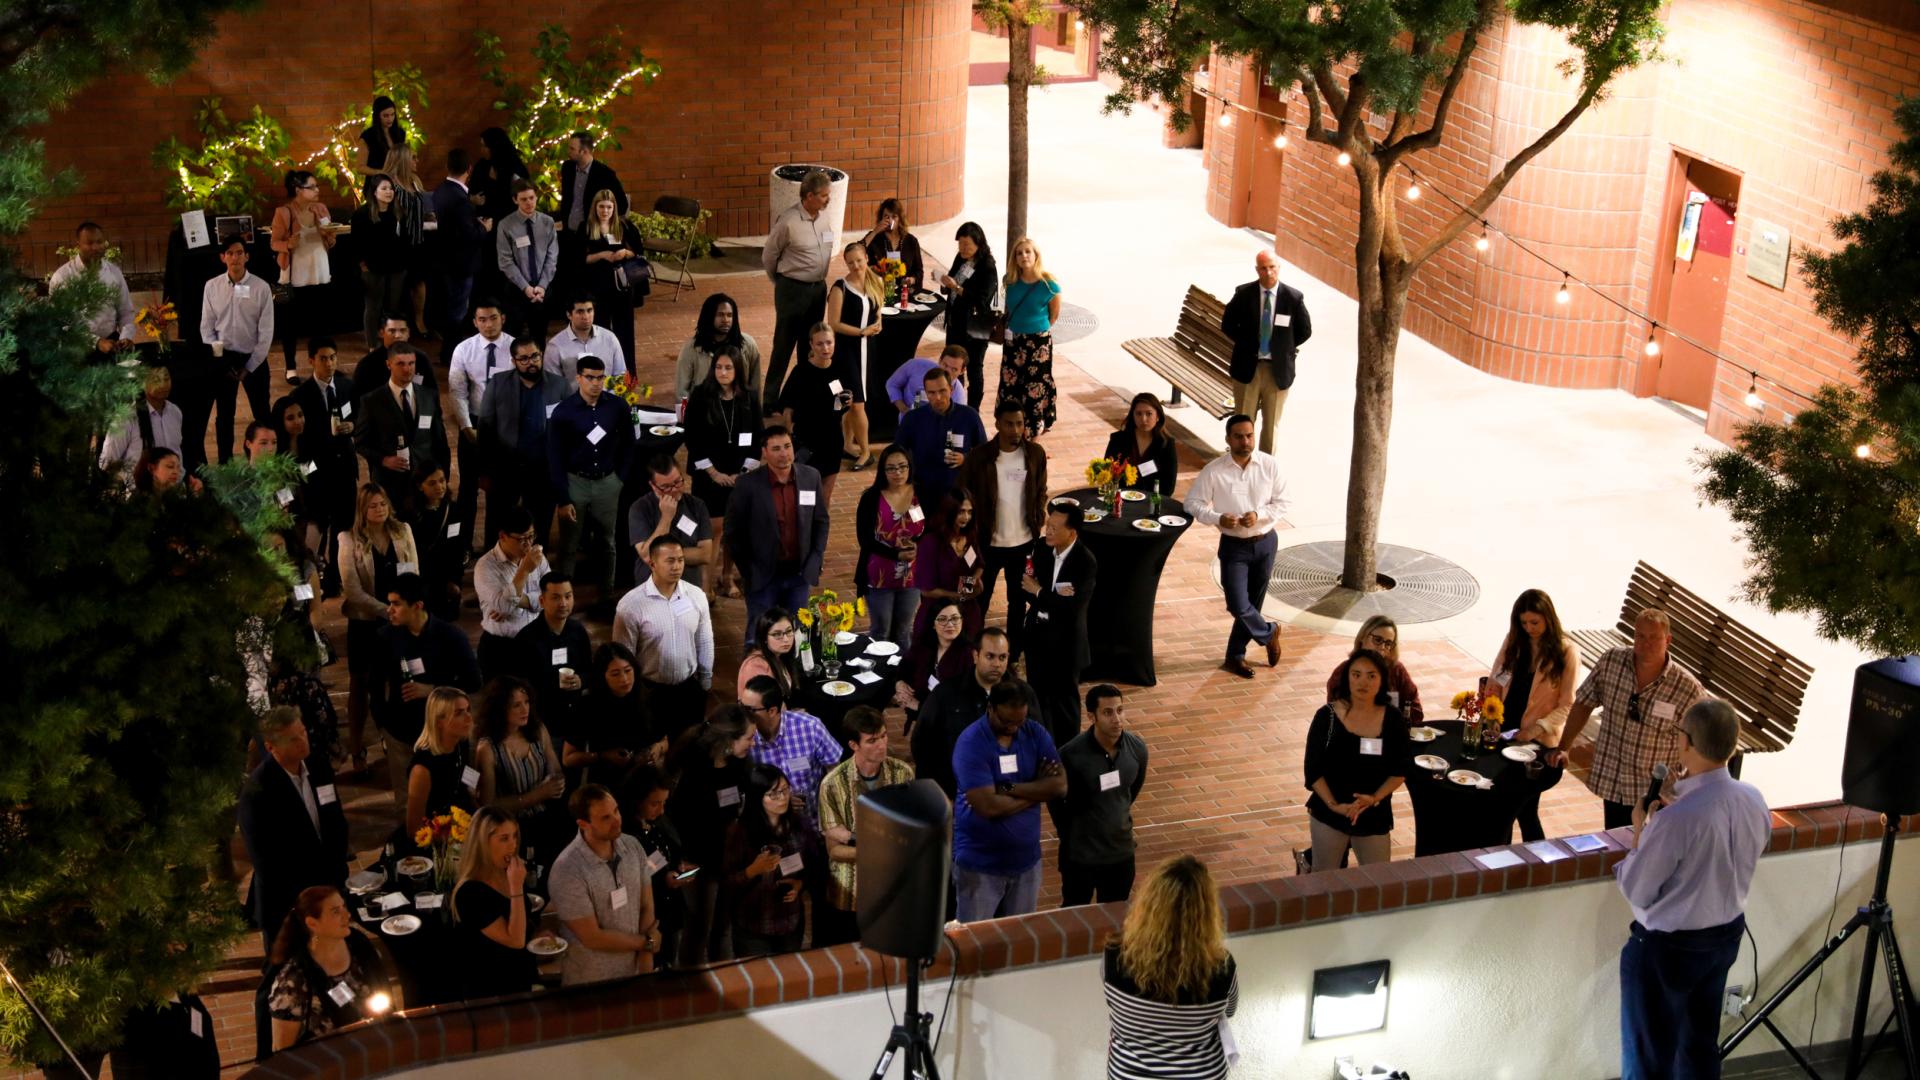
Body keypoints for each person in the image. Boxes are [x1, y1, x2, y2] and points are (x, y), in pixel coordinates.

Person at [1613, 699, 1770, 1080]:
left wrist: (1640, 830)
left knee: (1649, 1061)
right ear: (1732, 746)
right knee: (1698, 1050)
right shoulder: (1752, 798)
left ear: (1686, 744)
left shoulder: (1678, 818)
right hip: (1724, 938)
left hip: (1669, 950)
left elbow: (1637, 889)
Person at [1548, 608, 1707, 829]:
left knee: (1648, 853)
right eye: (1640, 636)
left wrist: (1689, 792)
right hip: (1615, 780)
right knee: (1617, 846)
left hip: (1656, 793)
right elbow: (1583, 703)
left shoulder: (1686, 688)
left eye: (1654, 637)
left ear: (1668, 640)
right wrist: (1564, 747)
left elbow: (1700, 743)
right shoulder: (1612, 662)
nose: (1646, 643)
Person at [1101, 855, 1239, 1080]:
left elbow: (1112, 1003)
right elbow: (1230, 1010)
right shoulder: (1221, 966)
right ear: (1206, 912)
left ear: (1148, 903)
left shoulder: (1114, 956)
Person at [1184, 413, 1290, 679]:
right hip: (1234, 547)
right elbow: (1192, 503)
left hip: (1265, 542)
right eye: (1239, 436)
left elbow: (1284, 502)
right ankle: (1269, 633)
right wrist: (1217, 518)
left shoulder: (1270, 465)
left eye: (1249, 435)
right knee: (1237, 603)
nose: (1246, 441)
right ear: (1228, 439)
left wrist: (1259, 515)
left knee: (1253, 602)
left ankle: (1235, 656)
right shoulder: (1214, 471)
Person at [951, 680, 1065, 922]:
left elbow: (1059, 786)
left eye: (1019, 721)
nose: (1013, 727)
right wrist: (1035, 794)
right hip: (980, 867)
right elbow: (989, 807)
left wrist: (1009, 788)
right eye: (1006, 721)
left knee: (1018, 944)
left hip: (1026, 864)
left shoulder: (1034, 733)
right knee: (976, 946)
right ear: (990, 708)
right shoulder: (971, 743)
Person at [238, 708, 350, 954]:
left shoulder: (318, 765)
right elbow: (267, 863)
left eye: (303, 733)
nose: (303, 742)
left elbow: (336, 822)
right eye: (293, 739)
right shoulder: (257, 793)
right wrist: (305, 900)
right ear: (271, 747)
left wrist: (336, 877)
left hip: (328, 888)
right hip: (287, 904)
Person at [380, 576, 482, 818]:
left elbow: (473, 681)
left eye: (396, 604)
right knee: (408, 804)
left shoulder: (451, 636)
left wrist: (432, 690)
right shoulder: (385, 637)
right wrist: (383, 724)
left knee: (452, 795)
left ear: (418, 605)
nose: (389, 610)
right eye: (389, 603)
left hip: (445, 733)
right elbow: (374, 686)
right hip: (401, 732)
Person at [816, 706, 915, 947]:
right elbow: (834, 850)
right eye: (872, 740)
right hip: (851, 893)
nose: (881, 744)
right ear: (853, 745)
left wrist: (853, 838)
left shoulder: (902, 774)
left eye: (883, 736)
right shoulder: (832, 785)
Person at [1303, 649, 1410, 871]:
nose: (1364, 681)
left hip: (1373, 813)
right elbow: (1313, 771)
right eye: (1356, 674)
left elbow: (1399, 770)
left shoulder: (1393, 719)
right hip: (1330, 812)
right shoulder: (1327, 716)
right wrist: (1335, 806)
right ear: (1347, 677)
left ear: (1381, 680)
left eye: (1372, 675)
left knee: (1377, 880)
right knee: (1324, 879)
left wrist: (1373, 798)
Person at [1486, 588, 1579, 841]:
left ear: (1548, 618)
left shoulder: (1566, 652)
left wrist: (1535, 730)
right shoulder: (1514, 641)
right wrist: (1492, 717)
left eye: (1535, 622)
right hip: (1506, 732)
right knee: (1508, 805)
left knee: (1522, 808)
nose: (1529, 628)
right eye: (1524, 623)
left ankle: (1526, 859)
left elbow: (1567, 705)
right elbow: (1495, 681)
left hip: (1536, 743)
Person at [725, 426, 830, 645]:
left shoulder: (811, 477)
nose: (784, 453)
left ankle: (793, 676)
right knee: (758, 635)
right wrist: (748, 569)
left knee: (799, 635)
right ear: (764, 452)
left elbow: (820, 520)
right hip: (763, 576)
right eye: (776, 448)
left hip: (799, 574)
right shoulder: (747, 485)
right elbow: (733, 532)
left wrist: (816, 557)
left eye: (787, 446)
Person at [339, 483, 417, 778]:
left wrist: (401, 612)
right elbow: (353, 591)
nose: (379, 509)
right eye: (372, 505)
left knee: (395, 683)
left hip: (399, 623)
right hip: (365, 623)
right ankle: (357, 746)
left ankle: (393, 737)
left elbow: (414, 573)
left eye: (383, 503)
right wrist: (387, 610)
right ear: (362, 509)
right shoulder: (348, 540)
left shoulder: (403, 531)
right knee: (360, 686)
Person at [960, 399, 1047, 662]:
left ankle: (1012, 657)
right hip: (987, 543)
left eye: (1019, 423)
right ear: (997, 424)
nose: (1015, 429)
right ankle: (970, 653)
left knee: (1017, 604)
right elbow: (963, 494)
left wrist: (1038, 518)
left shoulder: (1035, 454)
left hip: (1022, 543)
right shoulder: (979, 457)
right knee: (978, 600)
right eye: (1009, 424)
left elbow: (1040, 491)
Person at [667, 706, 755, 965]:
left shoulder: (740, 763)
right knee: (698, 927)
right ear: (729, 739)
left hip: (726, 857)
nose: (753, 743)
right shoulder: (693, 769)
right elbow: (676, 820)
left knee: (723, 925)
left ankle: (723, 980)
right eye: (749, 737)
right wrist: (684, 860)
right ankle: (689, 986)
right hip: (693, 862)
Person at [551, 782, 660, 985]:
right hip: (592, 981)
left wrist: (646, 960)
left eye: (616, 811)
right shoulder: (567, 870)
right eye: (606, 817)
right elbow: (592, 937)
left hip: (635, 972)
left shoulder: (633, 846)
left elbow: (647, 905)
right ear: (583, 824)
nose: (617, 820)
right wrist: (646, 943)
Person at [911, 628, 1036, 801]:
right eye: (990, 656)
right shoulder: (946, 694)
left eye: (1002, 657)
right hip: (959, 795)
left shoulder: (1024, 694)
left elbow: (1037, 741)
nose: (997, 664)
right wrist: (939, 794)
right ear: (976, 656)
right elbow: (922, 745)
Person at [1052, 685, 1149, 907]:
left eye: (1120, 710)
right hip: (1080, 858)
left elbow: (1130, 791)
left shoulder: (1137, 749)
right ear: (1091, 716)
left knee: (1115, 919)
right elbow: (1056, 802)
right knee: (1074, 916)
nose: (1117, 719)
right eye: (1108, 712)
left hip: (1120, 854)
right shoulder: (1070, 755)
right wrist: (1069, 836)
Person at [265, 886, 392, 1052]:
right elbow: (282, 1050)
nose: (347, 915)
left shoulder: (358, 943)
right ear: (312, 923)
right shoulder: (293, 981)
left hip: (374, 1049)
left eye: (344, 907)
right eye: (335, 912)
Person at [549, 355, 634, 604]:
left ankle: (606, 593)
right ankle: (562, 596)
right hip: (576, 482)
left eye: (600, 377)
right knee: (569, 543)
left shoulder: (617, 407)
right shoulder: (563, 412)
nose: (596, 383)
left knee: (608, 541)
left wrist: (620, 478)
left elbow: (629, 443)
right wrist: (563, 498)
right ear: (578, 378)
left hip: (608, 482)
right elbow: (555, 457)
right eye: (590, 378)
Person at [613, 535, 714, 735]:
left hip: (688, 689)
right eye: (670, 561)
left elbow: (704, 639)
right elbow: (623, 655)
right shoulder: (631, 605)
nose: (677, 566)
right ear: (652, 564)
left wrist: (705, 682)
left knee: (690, 746)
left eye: (680, 560)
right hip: (650, 691)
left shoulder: (696, 596)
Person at [1220, 249, 1314, 456]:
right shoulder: (1244, 294)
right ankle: (1241, 460)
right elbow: (1227, 324)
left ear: (1279, 268)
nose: (1269, 272)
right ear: (1257, 270)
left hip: (1277, 371)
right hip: (1247, 369)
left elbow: (1305, 331)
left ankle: (1265, 465)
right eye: (1263, 268)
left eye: (1272, 267)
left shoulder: (1293, 298)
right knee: (1244, 421)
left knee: (1271, 425)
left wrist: (1284, 348)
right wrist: (1246, 343)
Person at [479, 337, 570, 546]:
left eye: (535, 356)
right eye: (524, 358)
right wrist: (484, 471)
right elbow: (485, 429)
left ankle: (536, 568)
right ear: (514, 361)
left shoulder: (560, 386)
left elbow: (569, 430)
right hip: (506, 468)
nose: (531, 362)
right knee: (498, 522)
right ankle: (494, 569)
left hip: (543, 470)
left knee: (540, 525)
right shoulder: (498, 383)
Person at [683, 352, 760, 598]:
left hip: (740, 475)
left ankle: (727, 576)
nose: (723, 372)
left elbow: (757, 438)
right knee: (713, 529)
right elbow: (692, 438)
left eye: (728, 367)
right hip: (709, 475)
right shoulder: (701, 396)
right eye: (718, 367)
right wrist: (714, 473)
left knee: (735, 530)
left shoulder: (748, 397)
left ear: (738, 370)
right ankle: (706, 586)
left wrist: (744, 473)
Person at [723, 763, 820, 956]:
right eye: (773, 794)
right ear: (758, 797)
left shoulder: (800, 825)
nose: (782, 798)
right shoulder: (741, 832)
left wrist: (800, 884)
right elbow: (727, 882)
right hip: (753, 924)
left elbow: (814, 865)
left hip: (790, 921)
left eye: (785, 790)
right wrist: (753, 870)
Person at [475, 675, 570, 868]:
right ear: (500, 709)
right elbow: (488, 805)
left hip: (546, 820)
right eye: (516, 705)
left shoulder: (537, 730)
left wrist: (557, 781)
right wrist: (536, 796)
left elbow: (555, 768)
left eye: (526, 702)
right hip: (511, 827)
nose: (525, 709)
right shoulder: (488, 748)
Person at [1024, 501, 1097, 748]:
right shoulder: (1041, 549)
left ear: (1072, 532)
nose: (1049, 531)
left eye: (1055, 527)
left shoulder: (1085, 562)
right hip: (1037, 637)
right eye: (1048, 525)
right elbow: (1026, 587)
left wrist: (1040, 592)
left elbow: (1072, 608)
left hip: (1066, 644)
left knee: (1064, 704)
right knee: (1037, 698)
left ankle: (1067, 752)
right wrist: (1042, 595)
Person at [286, 339, 358, 592]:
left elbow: (358, 415)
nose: (329, 364)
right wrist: (308, 473)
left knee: (343, 526)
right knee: (318, 525)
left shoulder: (347, 385)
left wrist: (353, 427)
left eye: (333, 358)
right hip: (318, 473)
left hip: (345, 470)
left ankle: (335, 578)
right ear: (311, 361)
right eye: (324, 358)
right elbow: (298, 440)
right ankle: (312, 577)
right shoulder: (300, 396)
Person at [451, 805, 541, 999]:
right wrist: (516, 886)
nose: (513, 845)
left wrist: (538, 934)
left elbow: (520, 922)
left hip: (520, 980)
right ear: (483, 843)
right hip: (491, 989)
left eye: (514, 836)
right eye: (504, 838)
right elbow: (515, 940)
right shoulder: (470, 893)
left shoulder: (505, 873)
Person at [762, 168, 836, 403]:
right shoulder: (789, 222)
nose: (828, 199)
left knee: (811, 343)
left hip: (817, 289)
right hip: (792, 289)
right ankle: (770, 400)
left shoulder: (824, 218)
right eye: (824, 195)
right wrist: (781, 281)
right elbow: (769, 255)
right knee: (784, 344)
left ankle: (805, 395)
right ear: (809, 196)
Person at [200, 235, 275, 462]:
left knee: (262, 413)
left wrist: (250, 366)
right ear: (223, 257)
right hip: (224, 359)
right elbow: (206, 327)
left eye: (240, 253)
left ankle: (265, 461)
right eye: (230, 253)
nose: (235, 258)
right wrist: (219, 360)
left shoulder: (261, 288)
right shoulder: (212, 286)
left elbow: (266, 333)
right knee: (224, 416)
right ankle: (225, 463)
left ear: (247, 256)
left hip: (254, 358)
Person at [353, 341, 447, 518]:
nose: (407, 369)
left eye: (411, 363)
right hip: (390, 484)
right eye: (401, 364)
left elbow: (439, 440)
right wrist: (383, 459)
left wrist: (443, 477)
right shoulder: (372, 401)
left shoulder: (429, 396)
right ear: (389, 365)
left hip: (423, 485)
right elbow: (360, 443)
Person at [739, 675, 843, 831]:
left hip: (812, 824)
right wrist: (781, 800)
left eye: (750, 710)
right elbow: (742, 789)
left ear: (772, 710)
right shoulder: (744, 740)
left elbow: (834, 771)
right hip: (769, 830)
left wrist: (831, 819)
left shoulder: (809, 727)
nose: (743, 714)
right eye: (741, 706)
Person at [448, 300, 515, 537]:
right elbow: (457, 391)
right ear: (475, 322)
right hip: (474, 423)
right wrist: (467, 427)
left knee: (502, 489)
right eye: (482, 320)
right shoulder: (463, 349)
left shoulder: (515, 347)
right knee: (467, 489)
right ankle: (463, 545)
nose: (488, 324)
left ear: (503, 318)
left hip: (505, 426)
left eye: (493, 318)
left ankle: (496, 542)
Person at [269, 172, 336, 381]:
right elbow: (274, 243)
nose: (317, 190)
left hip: (319, 270)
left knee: (322, 322)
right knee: (290, 323)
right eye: (312, 187)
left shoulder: (321, 208)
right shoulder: (284, 212)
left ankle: (323, 365)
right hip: (294, 275)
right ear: (299, 190)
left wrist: (330, 237)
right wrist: (287, 244)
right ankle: (291, 368)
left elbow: (330, 240)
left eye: (317, 186)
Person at [564, 643, 659, 790]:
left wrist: (655, 750)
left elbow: (663, 740)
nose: (625, 679)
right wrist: (602, 756)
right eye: (615, 674)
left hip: (643, 778)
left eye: (628, 671)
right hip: (606, 782)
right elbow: (568, 758)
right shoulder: (587, 705)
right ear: (603, 676)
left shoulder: (646, 696)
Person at [855, 443, 923, 646]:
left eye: (902, 466)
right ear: (882, 470)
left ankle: (903, 675)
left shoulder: (921, 493)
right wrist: (896, 555)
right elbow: (865, 540)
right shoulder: (871, 498)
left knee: (903, 632)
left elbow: (929, 530)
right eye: (891, 468)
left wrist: (918, 546)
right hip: (879, 576)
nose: (898, 472)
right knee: (880, 632)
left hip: (912, 576)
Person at [623, 766, 691, 966]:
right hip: (646, 915)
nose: (661, 810)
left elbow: (669, 852)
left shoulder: (658, 823)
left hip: (670, 911)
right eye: (654, 803)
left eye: (664, 803)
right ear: (637, 799)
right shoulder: (626, 836)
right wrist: (664, 881)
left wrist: (679, 867)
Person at [996, 237, 1063, 437]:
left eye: (1028, 252)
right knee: (1011, 382)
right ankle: (1010, 425)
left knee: (1035, 385)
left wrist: (1034, 328)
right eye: (1019, 253)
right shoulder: (1010, 280)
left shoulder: (1049, 285)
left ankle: (1034, 428)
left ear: (1036, 256)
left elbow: (1054, 316)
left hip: (1038, 341)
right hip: (1013, 339)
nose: (1023, 256)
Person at [513, 571, 593, 737]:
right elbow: (519, 684)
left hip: (575, 714)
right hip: (541, 719)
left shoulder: (578, 631)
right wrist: (553, 682)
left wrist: (581, 680)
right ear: (542, 601)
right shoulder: (526, 638)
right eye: (556, 597)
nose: (563, 603)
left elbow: (589, 670)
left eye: (568, 596)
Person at [827, 241, 885, 468]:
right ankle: (865, 451)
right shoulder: (839, 288)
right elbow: (833, 324)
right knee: (854, 403)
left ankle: (847, 444)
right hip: (846, 352)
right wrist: (862, 332)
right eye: (850, 262)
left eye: (859, 260)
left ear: (866, 259)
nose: (855, 266)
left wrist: (878, 322)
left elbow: (878, 309)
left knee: (853, 402)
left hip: (867, 351)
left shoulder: (876, 281)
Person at [776, 322, 849, 504]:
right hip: (807, 441)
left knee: (825, 496)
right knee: (805, 496)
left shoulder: (839, 369)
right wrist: (788, 438)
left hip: (832, 441)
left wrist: (845, 402)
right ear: (811, 345)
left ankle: (819, 531)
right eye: (820, 344)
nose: (825, 348)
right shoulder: (801, 372)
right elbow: (787, 409)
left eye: (829, 342)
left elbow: (838, 407)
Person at [895, 367, 986, 512]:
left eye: (942, 391)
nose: (937, 397)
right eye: (931, 392)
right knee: (919, 531)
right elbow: (896, 454)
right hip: (920, 496)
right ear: (925, 393)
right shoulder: (912, 419)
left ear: (951, 389)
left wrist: (966, 458)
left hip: (958, 498)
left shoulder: (969, 416)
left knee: (955, 533)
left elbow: (985, 452)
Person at [473, 506, 549, 678]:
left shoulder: (538, 557)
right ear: (502, 536)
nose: (528, 544)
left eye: (531, 536)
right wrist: (524, 571)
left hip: (535, 641)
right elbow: (505, 608)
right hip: (501, 647)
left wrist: (517, 601)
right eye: (522, 539)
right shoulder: (486, 567)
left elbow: (551, 595)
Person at [628, 455, 713, 590]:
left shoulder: (697, 505)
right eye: (666, 487)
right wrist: (666, 518)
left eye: (677, 482)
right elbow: (646, 556)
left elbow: (706, 554)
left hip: (689, 588)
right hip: (651, 588)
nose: (674, 489)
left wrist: (664, 556)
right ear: (653, 486)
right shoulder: (640, 508)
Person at [49, 221, 134, 355]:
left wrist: (126, 336)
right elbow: (62, 324)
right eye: (89, 243)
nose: (95, 247)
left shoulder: (114, 272)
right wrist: (96, 342)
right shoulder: (62, 277)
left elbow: (126, 312)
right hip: (76, 348)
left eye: (99, 242)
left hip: (112, 344)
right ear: (78, 245)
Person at [910, 489, 984, 644]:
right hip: (938, 615)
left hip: (968, 616)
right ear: (949, 512)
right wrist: (959, 596)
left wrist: (973, 582)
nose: (966, 518)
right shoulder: (930, 543)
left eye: (970, 512)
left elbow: (979, 565)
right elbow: (926, 590)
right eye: (961, 512)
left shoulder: (970, 535)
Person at [405, 686, 479, 840]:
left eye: (468, 710)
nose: (468, 718)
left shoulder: (460, 744)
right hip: (439, 839)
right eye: (459, 713)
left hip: (463, 826)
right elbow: (414, 829)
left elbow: (465, 783)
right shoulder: (422, 768)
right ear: (439, 721)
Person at [579, 189, 642, 367]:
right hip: (598, 288)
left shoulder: (624, 226)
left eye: (609, 207)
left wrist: (625, 252)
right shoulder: (586, 227)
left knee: (625, 332)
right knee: (601, 332)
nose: (605, 211)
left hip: (622, 287)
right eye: (601, 207)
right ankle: (603, 372)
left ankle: (628, 375)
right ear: (595, 208)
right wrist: (602, 255)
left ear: (614, 208)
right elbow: (579, 259)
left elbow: (638, 254)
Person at [431, 147, 489, 334]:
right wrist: (483, 227)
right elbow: (469, 235)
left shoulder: (440, 190)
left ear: (447, 166)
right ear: (469, 169)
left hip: (445, 259)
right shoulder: (460, 199)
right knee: (458, 310)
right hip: (461, 263)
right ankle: (453, 350)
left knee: (451, 306)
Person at [1325, 616, 1424, 723]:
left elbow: (1416, 711)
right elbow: (1335, 719)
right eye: (1377, 640)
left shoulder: (1396, 670)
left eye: (1388, 643)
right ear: (1363, 637)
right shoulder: (1342, 674)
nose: (1382, 647)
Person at [938, 222, 998, 396]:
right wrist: (945, 284)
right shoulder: (960, 257)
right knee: (952, 367)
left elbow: (981, 300)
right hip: (956, 322)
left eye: (966, 245)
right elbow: (953, 277)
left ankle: (973, 410)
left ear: (978, 244)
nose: (962, 249)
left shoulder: (987, 266)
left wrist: (957, 288)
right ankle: (957, 401)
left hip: (976, 326)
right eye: (960, 244)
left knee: (974, 370)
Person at [496, 178, 559, 339]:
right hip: (517, 289)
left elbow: (552, 257)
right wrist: (526, 288)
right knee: (514, 336)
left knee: (540, 335)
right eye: (524, 199)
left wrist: (542, 286)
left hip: (542, 289)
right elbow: (505, 261)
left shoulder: (547, 222)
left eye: (531, 198)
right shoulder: (506, 225)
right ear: (515, 200)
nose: (529, 203)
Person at [353, 173, 410, 348]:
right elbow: (356, 243)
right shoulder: (362, 214)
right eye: (384, 188)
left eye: (391, 188)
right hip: (373, 268)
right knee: (373, 308)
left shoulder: (398, 211)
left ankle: (392, 341)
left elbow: (404, 239)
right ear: (374, 192)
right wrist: (363, 265)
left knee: (394, 307)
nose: (389, 192)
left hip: (396, 266)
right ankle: (372, 345)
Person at [895, 601, 973, 727]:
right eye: (942, 619)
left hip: (951, 724)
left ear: (962, 621)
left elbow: (960, 701)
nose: (950, 624)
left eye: (955, 618)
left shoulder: (968, 654)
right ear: (933, 624)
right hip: (923, 717)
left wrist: (919, 706)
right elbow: (903, 667)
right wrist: (900, 684)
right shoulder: (922, 646)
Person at [99, 364, 184, 479]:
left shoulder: (175, 412)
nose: (163, 384)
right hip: (142, 492)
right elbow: (106, 463)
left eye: (166, 378)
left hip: (174, 491)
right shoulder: (126, 418)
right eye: (156, 380)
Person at [675, 291, 763, 400]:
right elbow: (682, 390)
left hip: (739, 411)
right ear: (709, 317)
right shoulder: (691, 349)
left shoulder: (748, 345)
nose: (726, 320)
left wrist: (755, 412)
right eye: (720, 315)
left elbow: (755, 385)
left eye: (729, 315)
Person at [408, 464, 466, 621]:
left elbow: (458, 547)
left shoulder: (453, 510)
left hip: (447, 577)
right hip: (424, 578)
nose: (440, 486)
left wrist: (455, 580)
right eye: (432, 483)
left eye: (442, 481)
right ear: (420, 486)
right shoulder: (411, 514)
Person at [349, 315, 439, 405]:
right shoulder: (367, 365)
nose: (398, 336)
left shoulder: (421, 359)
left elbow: (432, 394)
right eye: (392, 331)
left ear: (408, 333)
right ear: (381, 333)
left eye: (402, 331)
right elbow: (356, 401)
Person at [1103, 393, 1178, 498]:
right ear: (1132, 416)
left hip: (1150, 501)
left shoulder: (1166, 444)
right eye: (1138, 414)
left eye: (1149, 414)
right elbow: (1107, 472)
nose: (1143, 419)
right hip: (1121, 500)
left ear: (1158, 416)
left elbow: (1168, 487)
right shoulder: (1118, 439)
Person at [543, 294, 629, 382]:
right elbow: (553, 385)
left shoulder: (610, 338)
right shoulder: (555, 346)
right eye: (580, 312)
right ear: (569, 315)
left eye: (589, 310)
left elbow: (620, 375)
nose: (586, 316)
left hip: (606, 395)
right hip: (572, 395)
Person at [557, 131, 629, 233]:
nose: (568, 151)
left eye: (572, 149)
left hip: (592, 233)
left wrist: (603, 225)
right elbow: (567, 199)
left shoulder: (605, 174)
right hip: (568, 231)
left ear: (584, 151)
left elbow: (622, 205)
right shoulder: (567, 168)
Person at [737, 608, 802, 701]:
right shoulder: (755, 666)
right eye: (777, 634)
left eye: (789, 631)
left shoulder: (780, 655)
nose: (786, 639)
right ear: (764, 638)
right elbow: (760, 708)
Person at [886, 344, 972, 414]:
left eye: (954, 369)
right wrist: (903, 409)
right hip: (905, 427)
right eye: (945, 365)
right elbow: (892, 384)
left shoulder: (959, 398)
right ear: (939, 360)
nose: (947, 372)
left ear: (962, 371)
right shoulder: (916, 365)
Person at [471, 127, 529, 226]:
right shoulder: (482, 165)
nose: (481, 150)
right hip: (486, 223)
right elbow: (471, 190)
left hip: (511, 221)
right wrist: (473, 199)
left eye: (484, 146)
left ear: (494, 147)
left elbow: (523, 194)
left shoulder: (514, 166)